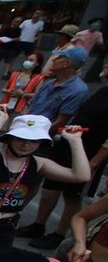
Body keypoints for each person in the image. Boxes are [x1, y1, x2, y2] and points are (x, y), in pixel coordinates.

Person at [0, 109, 90, 250]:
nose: (26, 145)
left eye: (34, 141)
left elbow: (81, 176)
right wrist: (1, 120)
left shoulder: (38, 163)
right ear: (10, 138)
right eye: (21, 138)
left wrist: (75, 141)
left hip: (7, 225)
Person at [23, 79, 108, 250]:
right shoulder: (103, 91)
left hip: (88, 153)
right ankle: (38, 225)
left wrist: (94, 162)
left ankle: (59, 234)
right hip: (67, 146)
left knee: (71, 196)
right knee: (49, 190)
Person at [27, 47, 89, 133]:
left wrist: (32, 133)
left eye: (59, 57)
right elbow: (31, 109)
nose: (54, 59)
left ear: (66, 63)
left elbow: (60, 123)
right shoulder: (48, 84)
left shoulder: (77, 90)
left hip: (42, 137)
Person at [0, 52, 46, 117]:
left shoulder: (39, 78)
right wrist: (10, 91)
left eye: (31, 60)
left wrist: (24, 94)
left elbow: (37, 94)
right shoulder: (15, 74)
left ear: (37, 64)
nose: (27, 61)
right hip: (7, 104)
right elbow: (3, 89)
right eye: (27, 59)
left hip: (22, 107)